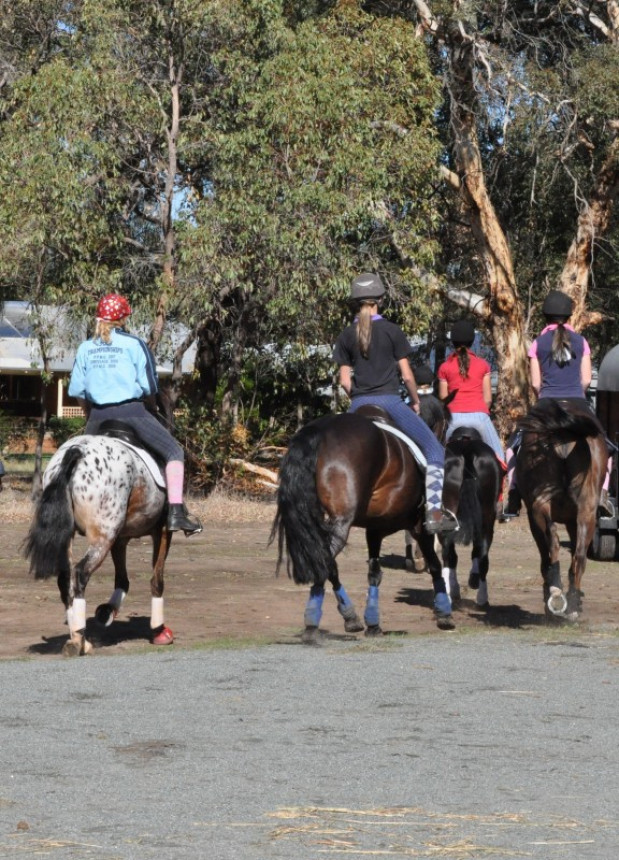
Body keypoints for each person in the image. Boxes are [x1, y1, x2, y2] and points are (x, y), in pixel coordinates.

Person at [333, 273, 458, 534]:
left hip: (357, 405)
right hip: (390, 402)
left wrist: (357, 397)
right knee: (435, 451)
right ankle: (434, 512)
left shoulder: (346, 335)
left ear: (354, 302)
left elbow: (345, 381)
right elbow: (408, 375)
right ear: (380, 300)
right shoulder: (392, 331)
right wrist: (414, 401)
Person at [68, 293, 203, 535]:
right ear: (123, 319)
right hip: (133, 412)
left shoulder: (85, 348)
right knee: (174, 451)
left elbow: (78, 390)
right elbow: (150, 386)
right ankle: (176, 513)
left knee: (73, 460)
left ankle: (69, 512)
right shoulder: (134, 344)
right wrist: (150, 407)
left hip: (97, 418)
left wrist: (89, 414)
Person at [504, 289, 613, 516]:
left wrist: (544, 398)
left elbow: (535, 383)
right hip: (577, 400)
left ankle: (513, 494)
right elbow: (585, 379)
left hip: (547, 402)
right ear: (569, 316)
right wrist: (576, 395)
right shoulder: (582, 341)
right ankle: (602, 494)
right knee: (606, 445)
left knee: (514, 446)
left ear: (546, 317)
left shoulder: (537, 344)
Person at [437, 319, 506, 467]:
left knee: (437, 458)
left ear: (452, 342)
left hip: (453, 420)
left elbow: (443, 398)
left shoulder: (444, 367)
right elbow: (487, 399)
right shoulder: (483, 365)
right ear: (472, 341)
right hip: (479, 419)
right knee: (499, 459)